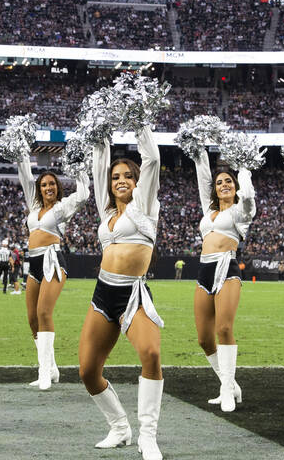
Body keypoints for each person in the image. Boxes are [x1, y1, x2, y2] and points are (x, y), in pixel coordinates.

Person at [81, 125, 165, 460]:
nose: (121, 181)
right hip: (103, 294)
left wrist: (140, 121)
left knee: (152, 355)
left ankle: (148, 436)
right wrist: (100, 133)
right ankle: (119, 427)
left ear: (137, 180)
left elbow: (154, 158)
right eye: (116, 176)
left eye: (128, 176)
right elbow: (98, 165)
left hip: (132, 295)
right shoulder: (108, 213)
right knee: (88, 371)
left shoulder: (143, 205)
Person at [15, 154, 90, 390]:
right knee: (32, 319)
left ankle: (44, 372)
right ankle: (52, 369)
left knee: (44, 312)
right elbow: (25, 177)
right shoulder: (34, 207)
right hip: (33, 263)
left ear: (58, 187)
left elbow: (84, 194)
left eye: (52, 184)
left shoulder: (62, 207)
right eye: (44, 184)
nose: (48, 187)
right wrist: (21, 153)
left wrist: (79, 169)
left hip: (52, 260)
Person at [191, 150, 257, 412]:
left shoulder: (242, 211)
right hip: (204, 271)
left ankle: (227, 390)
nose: (223, 185)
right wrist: (199, 154)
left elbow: (249, 196)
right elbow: (202, 179)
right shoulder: (209, 212)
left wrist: (243, 167)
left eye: (228, 181)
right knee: (204, 340)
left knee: (224, 329)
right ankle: (229, 384)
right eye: (219, 183)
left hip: (227, 269)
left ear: (235, 186)